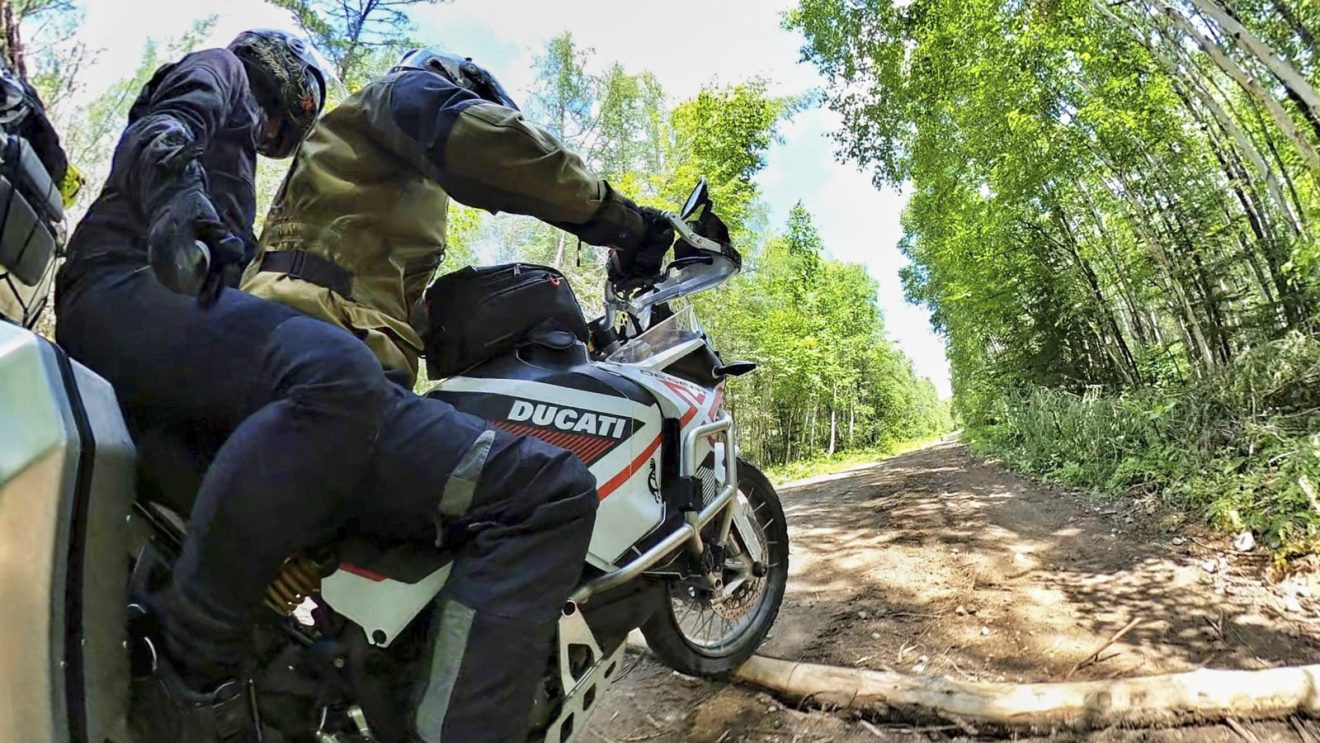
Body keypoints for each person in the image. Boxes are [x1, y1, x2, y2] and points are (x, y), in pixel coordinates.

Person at [56, 34, 670, 743]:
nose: (293, 125)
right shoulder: (388, 93)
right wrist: (624, 222)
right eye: (301, 101)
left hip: (266, 380)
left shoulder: (294, 191)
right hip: (243, 342)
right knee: (538, 486)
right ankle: (197, 678)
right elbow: (169, 125)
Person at [237, 48, 675, 741]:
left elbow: (397, 308)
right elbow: (488, 147)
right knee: (547, 494)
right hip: (323, 379)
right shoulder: (403, 95)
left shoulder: (338, 180)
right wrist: (625, 222)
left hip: (285, 372)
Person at [54, 29, 340, 741]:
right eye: (283, 119)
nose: (273, 131)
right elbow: (165, 125)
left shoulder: (241, 145)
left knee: (216, 507)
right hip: (123, 284)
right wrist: (182, 200)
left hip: (140, 319)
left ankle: (203, 686)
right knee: (318, 398)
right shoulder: (223, 74)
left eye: (283, 131)